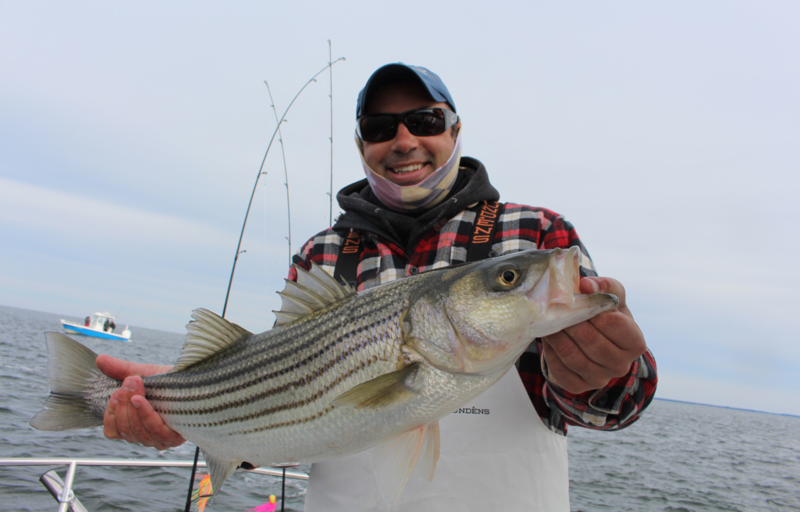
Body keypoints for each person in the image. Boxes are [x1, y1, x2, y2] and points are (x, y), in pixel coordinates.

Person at [98, 63, 657, 511]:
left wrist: (606, 375)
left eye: (426, 120)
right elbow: (286, 403)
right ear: (362, 144)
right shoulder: (322, 253)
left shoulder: (536, 235)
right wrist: (187, 413)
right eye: (380, 128)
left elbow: (619, 404)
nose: (404, 140)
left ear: (455, 130)